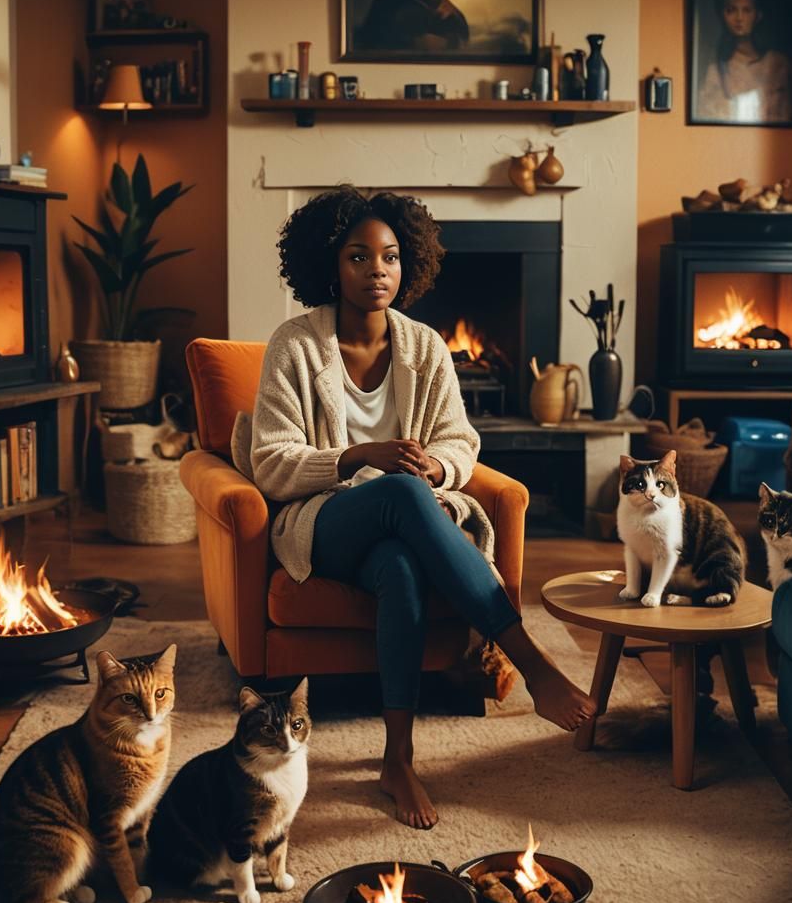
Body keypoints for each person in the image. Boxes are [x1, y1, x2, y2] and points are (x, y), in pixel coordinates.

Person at [249, 186, 595, 830]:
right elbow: (270, 462)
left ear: (408, 265)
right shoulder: (294, 346)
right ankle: (531, 660)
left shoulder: (426, 345)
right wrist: (358, 456)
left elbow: (459, 440)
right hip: (322, 523)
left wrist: (437, 465)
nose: (376, 270)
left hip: (400, 525)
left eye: (389, 257)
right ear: (329, 264)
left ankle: (398, 758)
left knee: (402, 567)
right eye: (358, 257)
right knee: (404, 493)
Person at [696, 0, 792, 124]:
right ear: (722, 15)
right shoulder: (715, 71)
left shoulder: (779, 63)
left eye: (747, 10)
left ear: (758, 15)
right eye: (731, 10)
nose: (739, 18)